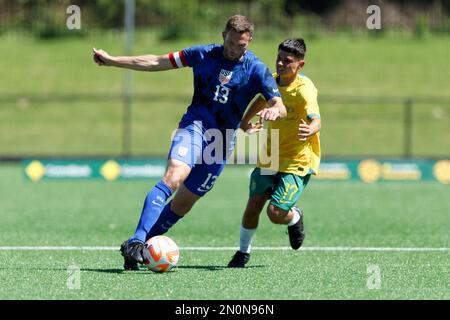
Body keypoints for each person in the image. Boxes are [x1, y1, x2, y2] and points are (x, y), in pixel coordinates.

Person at [92, 15, 287, 270]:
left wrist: (275, 110)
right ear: (223, 35)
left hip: (222, 141)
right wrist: (113, 61)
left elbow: (279, 103)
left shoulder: (257, 69)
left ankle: (136, 248)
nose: (235, 49)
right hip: (195, 127)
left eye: (241, 45)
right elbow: (157, 60)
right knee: (174, 176)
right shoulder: (202, 54)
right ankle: (138, 240)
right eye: (231, 42)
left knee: (184, 203)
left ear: (249, 41)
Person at [227, 38, 321, 268]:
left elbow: (316, 119)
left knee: (275, 213)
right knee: (253, 207)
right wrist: (244, 122)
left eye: (287, 61)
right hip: (270, 157)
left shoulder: (304, 90)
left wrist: (310, 128)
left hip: (296, 161)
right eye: (278, 58)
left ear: (300, 65)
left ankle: (295, 217)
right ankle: (243, 252)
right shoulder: (271, 80)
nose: (280, 63)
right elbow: (260, 100)